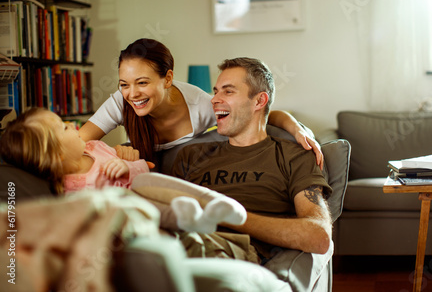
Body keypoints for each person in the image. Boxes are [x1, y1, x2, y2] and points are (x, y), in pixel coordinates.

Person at [170, 57, 332, 261]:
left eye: (228, 91)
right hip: (173, 241)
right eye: (216, 90)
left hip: (227, 250)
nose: (214, 99)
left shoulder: (292, 155)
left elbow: (319, 235)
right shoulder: (191, 155)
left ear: (259, 101)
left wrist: (230, 216)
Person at [78, 38, 323, 167]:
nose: (132, 93)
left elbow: (258, 113)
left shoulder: (200, 105)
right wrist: (112, 154)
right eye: (124, 84)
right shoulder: (120, 102)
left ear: (168, 78)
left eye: (142, 83)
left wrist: (297, 129)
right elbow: (78, 143)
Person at [0, 108, 247, 234]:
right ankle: (189, 220)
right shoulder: (71, 190)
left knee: (146, 182)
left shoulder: (95, 147)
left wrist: (127, 167)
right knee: (130, 198)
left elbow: (144, 170)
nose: (71, 124)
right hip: (137, 214)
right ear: (56, 155)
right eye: (62, 128)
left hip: (147, 187)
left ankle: (217, 203)